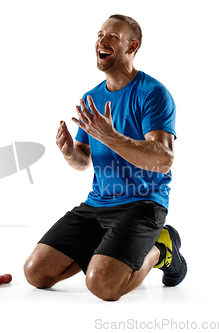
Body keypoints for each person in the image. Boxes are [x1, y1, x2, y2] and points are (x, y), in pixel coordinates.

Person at [23, 14, 187, 301]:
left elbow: (163, 159)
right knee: (36, 273)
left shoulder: (153, 94)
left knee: (103, 286)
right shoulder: (92, 97)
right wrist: (69, 152)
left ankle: (162, 247)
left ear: (132, 47)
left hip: (142, 205)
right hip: (97, 204)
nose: (102, 40)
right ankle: (109, 249)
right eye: (100, 35)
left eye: (113, 36)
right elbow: (83, 161)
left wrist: (111, 136)